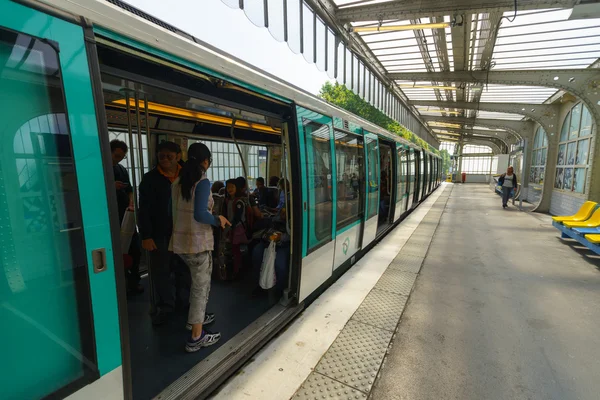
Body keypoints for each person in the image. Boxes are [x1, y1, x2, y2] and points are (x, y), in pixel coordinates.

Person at [170, 143, 230, 352]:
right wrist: (218, 219)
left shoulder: (177, 182)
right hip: (198, 244)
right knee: (200, 288)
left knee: (196, 285)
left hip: (180, 243)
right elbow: (200, 215)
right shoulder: (202, 182)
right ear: (205, 161)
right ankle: (196, 336)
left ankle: (194, 320)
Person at [138, 141, 189, 325]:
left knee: (184, 269)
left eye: (169, 156)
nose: (165, 159)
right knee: (162, 272)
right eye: (161, 156)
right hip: (159, 233)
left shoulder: (188, 176)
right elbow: (143, 209)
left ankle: (185, 302)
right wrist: (146, 235)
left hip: (185, 232)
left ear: (178, 156)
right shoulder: (150, 179)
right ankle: (167, 306)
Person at [110, 139, 142, 295]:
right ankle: (118, 284)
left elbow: (130, 188)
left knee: (135, 249)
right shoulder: (99, 170)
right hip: (110, 218)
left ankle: (134, 281)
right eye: (116, 156)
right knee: (116, 253)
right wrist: (110, 185)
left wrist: (131, 200)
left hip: (126, 217)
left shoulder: (122, 169)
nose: (118, 159)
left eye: (121, 157)